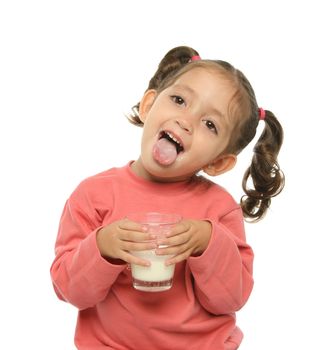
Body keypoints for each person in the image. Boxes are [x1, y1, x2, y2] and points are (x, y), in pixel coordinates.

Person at [50, 46, 284, 349]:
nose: (186, 121)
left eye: (210, 125)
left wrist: (208, 241)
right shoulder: (93, 195)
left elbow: (231, 299)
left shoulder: (219, 210)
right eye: (179, 100)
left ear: (218, 162)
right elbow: (70, 291)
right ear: (149, 104)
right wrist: (102, 247)